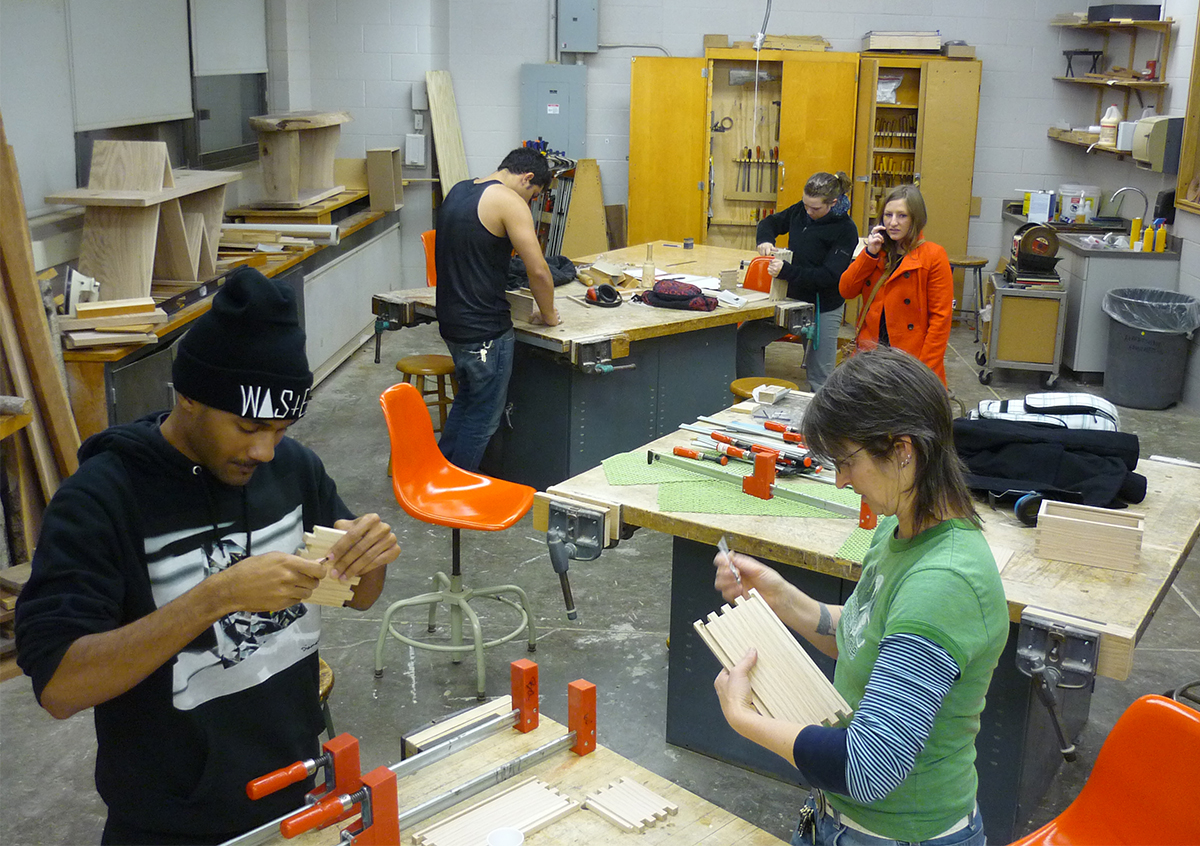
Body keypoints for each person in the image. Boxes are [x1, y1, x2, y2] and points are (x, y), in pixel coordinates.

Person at [15, 268, 402, 846]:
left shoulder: (292, 468)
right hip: (171, 825)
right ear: (188, 396)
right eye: (247, 426)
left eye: (281, 426)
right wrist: (217, 597)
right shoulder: (102, 500)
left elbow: (359, 597)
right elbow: (61, 688)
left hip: (295, 792)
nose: (264, 450)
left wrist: (371, 563)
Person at [712, 347, 1007, 846]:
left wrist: (742, 718)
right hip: (840, 818)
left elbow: (868, 767)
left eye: (847, 461)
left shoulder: (945, 582)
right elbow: (867, 636)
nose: (841, 480)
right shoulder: (899, 526)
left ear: (902, 450)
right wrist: (779, 594)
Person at [435, 147, 561, 471]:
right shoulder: (508, 201)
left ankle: (438, 474)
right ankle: (457, 492)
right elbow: (539, 271)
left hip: (452, 323)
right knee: (482, 420)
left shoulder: (460, 190)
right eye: (534, 194)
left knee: (467, 402)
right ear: (527, 177)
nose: (531, 201)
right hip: (485, 332)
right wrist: (549, 316)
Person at [737, 171, 858, 391]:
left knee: (819, 379)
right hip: (792, 300)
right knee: (747, 339)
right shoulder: (801, 211)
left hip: (823, 307)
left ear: (833, 202)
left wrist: (787, 271)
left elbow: (829, 276)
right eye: (806, 205)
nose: (808, 212)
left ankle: (817, 423)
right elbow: (770, 222)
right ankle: (755, 397)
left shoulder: (846, 230)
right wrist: (765, 240)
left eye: (815, 209)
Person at [839, 184, 953, 385]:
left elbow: (940, 320)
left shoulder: (933, 256)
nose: (893, 222)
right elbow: (846, 290)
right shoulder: (876, 252)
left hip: (910, 359)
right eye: (888, 215)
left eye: (902, 216)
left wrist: (924, 372)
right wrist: (869, 255)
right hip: (871, 355)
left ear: (915, 219)